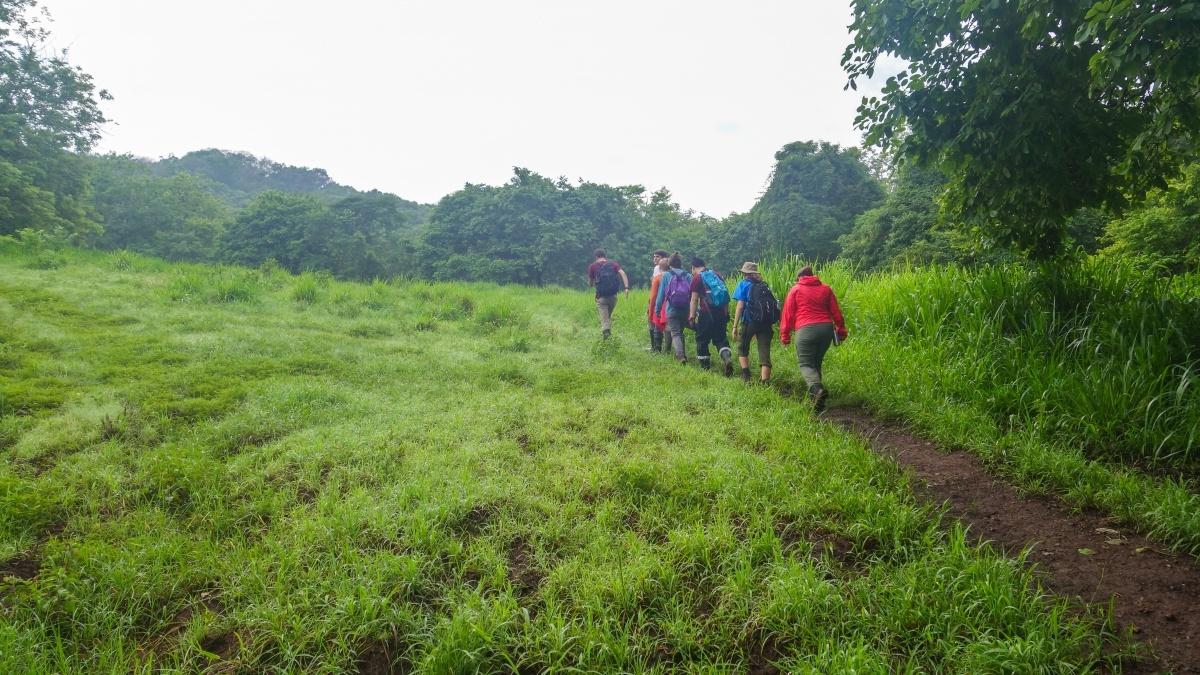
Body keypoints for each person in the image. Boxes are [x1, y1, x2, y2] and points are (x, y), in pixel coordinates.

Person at [779, 265, 848, 412]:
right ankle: (817, 402)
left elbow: (788, 315)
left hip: (805, 330)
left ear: (799, 278)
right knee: (816, 362)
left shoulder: (796, 289)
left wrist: (785, 335)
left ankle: (817, 390)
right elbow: (836, 313)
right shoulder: (826, 289)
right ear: (812, 275)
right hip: (826, 329)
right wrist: (841, 330)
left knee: (805, 364)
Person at [731, 261, 780, 384]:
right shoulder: (764, 285)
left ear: (745, 273)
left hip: (750, 322)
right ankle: (765, 382)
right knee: (764, 350)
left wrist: (735, 326)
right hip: (766, 323)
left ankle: (747, 377)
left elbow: (740, 306)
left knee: (742, 348)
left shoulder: (743, 284)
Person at [687, 257, 734, 376]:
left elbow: (694, 299)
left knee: (702, 339)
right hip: (721, 313)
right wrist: (726, 314)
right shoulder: (717, 275)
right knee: (721, 339)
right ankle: (727, 359)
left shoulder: (697, 278)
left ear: (693, 267)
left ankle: (705, 369)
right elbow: (725, 296)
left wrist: (692, 316)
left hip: (706, 314)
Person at [654, 252, 692, 363]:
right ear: (680, 264)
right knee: (680, 331)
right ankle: (683, 355)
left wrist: (657, 310)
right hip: (685, 309)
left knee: (675, 333)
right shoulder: (688, 275)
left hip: (671, 309)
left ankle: (680, 356)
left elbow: (661, 294)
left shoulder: (666, 275)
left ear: (670, 264)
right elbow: (693, 295)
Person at [587, 248, 630, 339]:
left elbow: (590, 284)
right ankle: (607, 336)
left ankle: (607, 341)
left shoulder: (593, 266)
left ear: (596, 257)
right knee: (607, 318)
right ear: (605, 256)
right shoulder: (613, 264)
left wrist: (591, 283)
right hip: (613, 297)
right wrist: (626, 287)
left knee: (605, 320)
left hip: (601, 298)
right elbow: (622, 273)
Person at [646, 256, 671, 352]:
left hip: (660, 305)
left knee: (657, 327)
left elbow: (653, 297)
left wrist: (651, 311)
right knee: (671, 329)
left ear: (659, 268)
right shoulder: (673, 276)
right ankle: (668, 350)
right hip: (672, 305)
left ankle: (657, 349)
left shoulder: (657, 278)